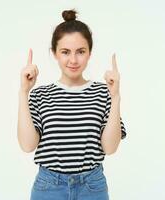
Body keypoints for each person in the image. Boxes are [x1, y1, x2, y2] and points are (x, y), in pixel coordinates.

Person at [17, 9, 127, 200]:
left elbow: (110, 148)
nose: (73, 60)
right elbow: (27, 145)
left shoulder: (103, 93)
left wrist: (116, 96)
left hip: (92, 187)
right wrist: (23, 92)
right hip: (49, 188)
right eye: (65, 52)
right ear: (55, 53)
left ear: (90, 53)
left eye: (81, 52)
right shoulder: (40, 94)